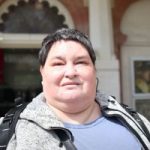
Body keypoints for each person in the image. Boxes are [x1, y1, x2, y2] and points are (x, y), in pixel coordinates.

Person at [6, 28, 150, 150]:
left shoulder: (136, 122)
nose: (70, 72)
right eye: (58, 64)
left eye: (80, 62)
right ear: (42, 73)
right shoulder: (10, 133)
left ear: (94, 71)